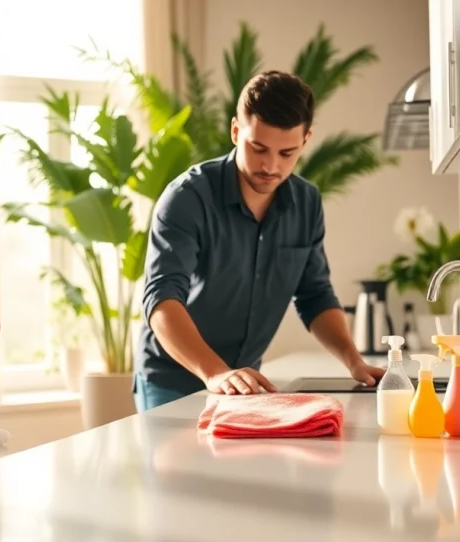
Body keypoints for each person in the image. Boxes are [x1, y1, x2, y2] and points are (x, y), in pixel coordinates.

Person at [135, 70, 385, 410]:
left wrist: (355, 362)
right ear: (236, 131)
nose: (270, 166)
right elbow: (162, 299)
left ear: (306, 141)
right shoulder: (187, 198)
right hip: (173, 380)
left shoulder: (306, 202)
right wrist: (215, 373)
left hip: (245, 384)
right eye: (258, 148)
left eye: (287, 153)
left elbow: (315, 295)